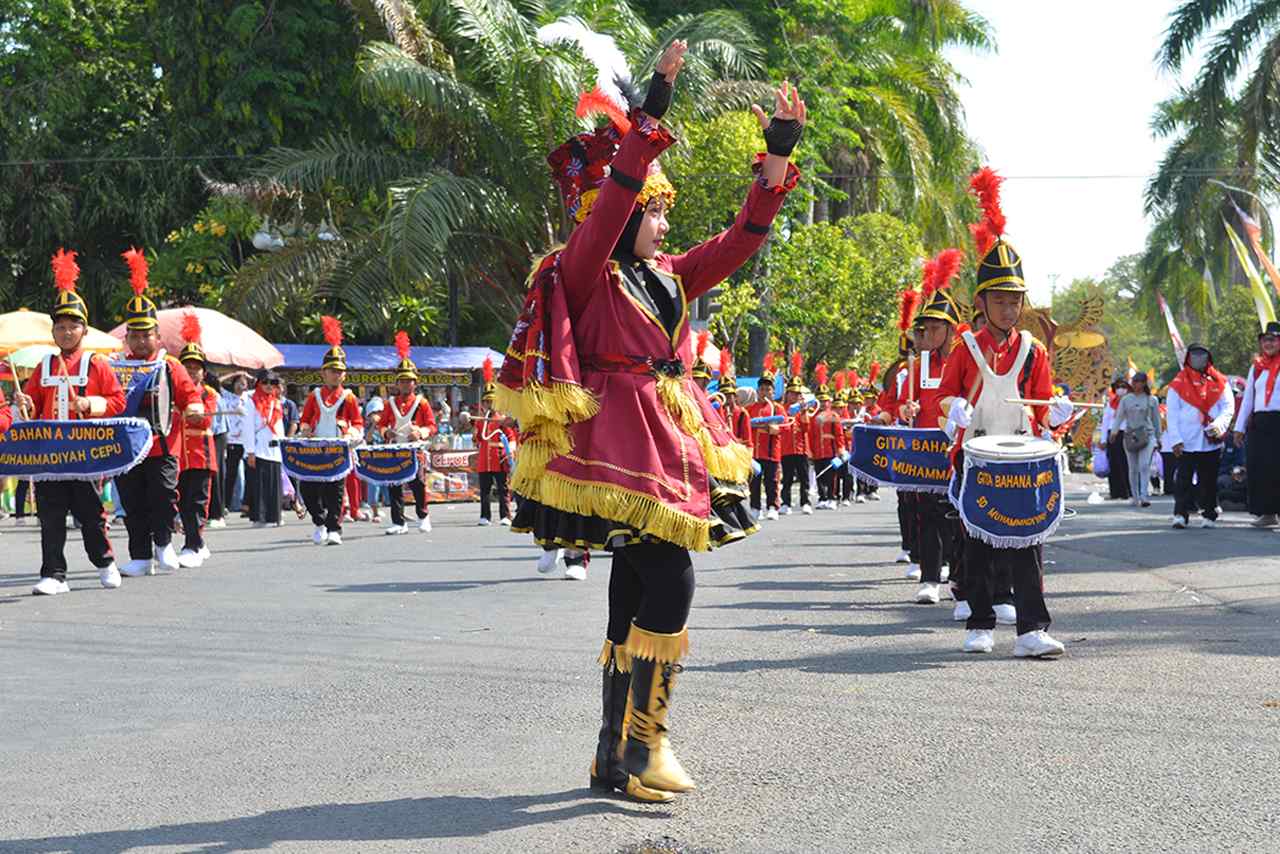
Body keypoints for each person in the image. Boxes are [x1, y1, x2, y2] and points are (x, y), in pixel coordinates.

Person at [499, 43, 803, 802]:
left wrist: (776, 161)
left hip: (668, 433)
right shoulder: (584, 267)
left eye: (665, 214)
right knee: (673, 574)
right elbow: (610, 203)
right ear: (627, 211)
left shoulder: (668, 275)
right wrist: (655, 106)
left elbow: (739, 243)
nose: (665, 226)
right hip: (620, 440)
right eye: (657, 213)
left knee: (635, 583)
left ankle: (611, 755)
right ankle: (644, 746)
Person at [939, 167, 1073, 659]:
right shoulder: (965, 347)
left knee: (1027, 542)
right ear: (983, 302)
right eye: (1000, 300)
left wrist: (1058, 413)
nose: (1009, 309)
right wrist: (951, 408)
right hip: (975, 455)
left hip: (1020, 457)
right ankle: (979, 620)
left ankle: (1032, 629)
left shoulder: (1033, 350)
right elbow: (945, 398)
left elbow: (1043, 406)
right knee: (976, 543)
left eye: (1015, 300)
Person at [16, 249, 126, 595]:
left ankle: (105, 560)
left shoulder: (97, 364)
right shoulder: (43, 366)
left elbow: (118, 402)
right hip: (50, 455)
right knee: (49, 517)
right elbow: (32, 410)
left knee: (91, 516)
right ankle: (53, 574)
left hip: (84, 456)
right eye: (60, 327)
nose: (66, 332)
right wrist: (24, 404)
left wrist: (88, 403)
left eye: (72, 326)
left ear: (84, 329)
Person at [113, 248, 204, 579]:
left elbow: (190, 396)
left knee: (164, 495)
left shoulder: (170, 365)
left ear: (157, 335)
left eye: (145, 334)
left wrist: (193, 408)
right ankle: (139, 556)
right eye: (133, 335)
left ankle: (163, 541)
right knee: (131, 502)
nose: (139, 340)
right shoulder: (114, 366)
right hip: (125, 448)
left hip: (163, 447)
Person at [887, 249, 964, 607]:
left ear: (950, 329)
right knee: (929, 513)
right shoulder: (917, 366)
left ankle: (960, 576)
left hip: (958, 449)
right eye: (926, 328)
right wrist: (907, 408)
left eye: (935, 327)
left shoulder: (966, 360)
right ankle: (931, 577)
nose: (928, 333)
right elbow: (904, 405)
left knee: (960, 515)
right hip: (925, 451)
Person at [298, 317, 364, 545]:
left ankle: (334, 529)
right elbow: (305, 420)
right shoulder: (314, 396)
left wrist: (350, 435)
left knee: (334, 491)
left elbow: (358, 424)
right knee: (308, 488)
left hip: (338, 449)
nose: (336, 375)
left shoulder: (349, 397)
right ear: (323, 373)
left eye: (340, 371)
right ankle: (319, 520)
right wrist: (305, 429)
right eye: (332, 371)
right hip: (315, 450)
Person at [1165, 344, 1234, 529]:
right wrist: (1175, 439)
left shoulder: (1220, 381)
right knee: (1183, 480)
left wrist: (1219, 425)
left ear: (1209, 357)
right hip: (1186, 440)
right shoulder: (1178, 383)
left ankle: (1209, 513)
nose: (1198, 359)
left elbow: (1228, 407)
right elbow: (1171, 414)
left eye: (1202, 355)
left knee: (1208, 480)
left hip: (1210, 439)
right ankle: (1180, 514)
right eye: (1194, 355)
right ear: (1188, 358)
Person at [377, 331, 436, 535]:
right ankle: (398, 521)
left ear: (415, 382)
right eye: (402, 381)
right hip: (395, 449)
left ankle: (423, 516)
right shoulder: (389, 403)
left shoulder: (422, 403)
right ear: (397, 383)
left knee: (417, 484)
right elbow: (382, 424)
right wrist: (387, 433)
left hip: (414, 450)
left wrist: (420, 432)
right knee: (394, 485)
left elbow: (431, 425)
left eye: (408, 381)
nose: (405, 384)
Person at [176, 313, 219, 568]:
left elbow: (204, 421)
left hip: (202, 456)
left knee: (197, 502)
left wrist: (189, 412)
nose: (191, 371)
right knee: (182, 501)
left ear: (203, 372)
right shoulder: (171, 392)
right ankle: (196, 543)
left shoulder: (209, 393)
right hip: (179, 455)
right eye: (187, 366)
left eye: (195, 367)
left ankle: (192, 544)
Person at [1233, 321, 1280, 527]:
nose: (1268, 343)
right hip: (1261, 422)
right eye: (1265, 340)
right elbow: (1248, 400)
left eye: (1273, 339)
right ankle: (1267, 512)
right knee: (1260, 467)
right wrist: (1239, 428)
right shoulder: (1257, 366)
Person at [475, 361, 517, 526]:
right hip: (484, 462)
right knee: (484, 491)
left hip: (499, 460)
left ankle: (505, 515)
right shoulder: (480, 420)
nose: (489, 405)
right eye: (487, 402)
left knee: (503, 489)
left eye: (492, 402)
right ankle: (485, 516)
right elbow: (479, 439)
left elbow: (511, 437)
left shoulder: (502, 419)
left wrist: (510, 450)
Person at [245, 369, 285, 526]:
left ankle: (274, 516)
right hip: (259, 448)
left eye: (273, 382)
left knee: (275, 484)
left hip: (275, 449)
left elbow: (280, 426)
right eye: (265, 382)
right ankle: (259, 516)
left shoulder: (277, 402)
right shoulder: (251, 401)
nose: (269, 385)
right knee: (259, 485)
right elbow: (248, 428)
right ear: (259, 384)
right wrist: (250, 452)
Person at [1115, 370, 1161, 508]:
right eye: (1135, 381)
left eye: (1141, 382)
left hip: (1147, 435)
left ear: (1145, 383)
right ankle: (1134, 496)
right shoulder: (1126, 399)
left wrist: (1158, 438)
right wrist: (1114, 432)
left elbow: (1156, 420)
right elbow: (1119, 417)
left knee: (1144, 465)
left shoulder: (1152, 399)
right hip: (1130, 435)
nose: (1137, 384)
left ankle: (1144, 496)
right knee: (1133, 468)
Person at [747, 358, 784, 520]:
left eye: (768, 389)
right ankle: (755, 507)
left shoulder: (778, 408)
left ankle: (772, 506)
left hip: (771, 451)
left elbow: (785, 426)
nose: (765, 392)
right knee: (754, 482)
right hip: (755, 451)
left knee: (772, 481)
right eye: (762, 389)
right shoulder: (751, 408)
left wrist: (773, 429)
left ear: (773, 391)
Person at [779, 354, 813, 515]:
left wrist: (804, 411)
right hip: (786, 450)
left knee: (804, 477)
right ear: (788, 394)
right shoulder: (781, 409)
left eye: (798, 393)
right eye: (793, 393)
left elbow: (806, 428)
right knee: (786, 479)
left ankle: (805, 501)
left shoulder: (803, 410)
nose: (795, 396)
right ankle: (785, 502)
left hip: (801, 449)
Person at [807, 366, 845, 510]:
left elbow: (839, 434)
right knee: (819, 475)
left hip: (830, 449)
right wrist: (810, 451)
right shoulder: (813, 416)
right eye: (820, 401)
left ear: (829, 402)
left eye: (825, 401)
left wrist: (840, 448)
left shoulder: (834, 416)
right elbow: (809, 434)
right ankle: (822, 498)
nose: (823, 404)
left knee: (831, 476)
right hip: (817, 450)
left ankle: (832, 498)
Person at [221, 373, 250, 520]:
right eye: (238, 382)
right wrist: (234, 374)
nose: (240, 385)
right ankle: (224, 505)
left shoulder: (250, 398)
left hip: (247, 441)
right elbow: (217, 383)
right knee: (230, 474)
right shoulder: (228, 397)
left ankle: (247, 505)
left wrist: (249, 377)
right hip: (232, 441)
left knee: (250, 473)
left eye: (243, 383)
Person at [1101, 378, 1132, 500]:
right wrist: (1103, 439)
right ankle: (1115, 491)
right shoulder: (1110, 403)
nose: (1121, 389)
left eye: (1123, 387)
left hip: (1126, 434)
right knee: (1113, 463)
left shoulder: (1130, 402)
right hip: (1112, 435)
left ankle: (1128, 491)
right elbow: (1105, 422)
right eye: (1118, 387)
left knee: (1126, 463)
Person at [207, 370, 229, 527]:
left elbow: (213, 422)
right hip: (211, 434)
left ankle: (218, 513)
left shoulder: (213, 396)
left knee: (216, 473)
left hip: (215, 436)